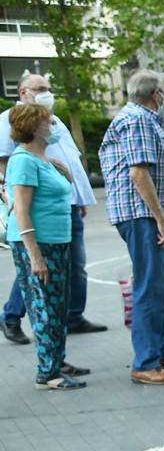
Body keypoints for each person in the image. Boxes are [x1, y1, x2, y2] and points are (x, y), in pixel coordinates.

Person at [99, 69, 164, 385]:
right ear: (156, 94)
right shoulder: (140, 120)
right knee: (150, 285)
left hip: (140, 213)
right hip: (139, 214)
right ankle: (145, 361)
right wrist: (161, 220)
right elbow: (138, 174)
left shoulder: (136, 117)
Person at [0, 73, 106, 346]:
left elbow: (70, 160)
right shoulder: (10, 119)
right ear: (23, 92)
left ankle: (72, 316)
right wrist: (12, 198)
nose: (48, 93)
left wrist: (80, 197)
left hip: (66, 203)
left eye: (49, 87)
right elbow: (5, 162)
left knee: (74, 264)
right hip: (39, 207)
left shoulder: (54, 121)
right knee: (39, 267)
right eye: (40, 89)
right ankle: (11, 316)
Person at [4, 104, 88, 389]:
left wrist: (63, 172)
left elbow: (62, 193)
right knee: (44, 307)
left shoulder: (44, 160)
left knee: (58, 306)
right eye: (48, 122)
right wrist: (35, 256)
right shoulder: (23, 160)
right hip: (38, 243)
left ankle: (57, 362)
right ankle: (47, 373)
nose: (53, 126)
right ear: (33, 126)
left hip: (57, 240)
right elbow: (22, 210)